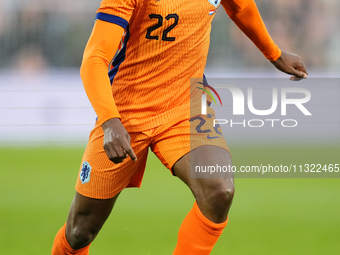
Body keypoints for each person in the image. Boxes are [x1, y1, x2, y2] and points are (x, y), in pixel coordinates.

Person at [52, 0, 308, 254]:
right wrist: (110, 121)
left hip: (186, 102)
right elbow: (94, 57)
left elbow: (241, 6)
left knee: (220, 189)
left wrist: (274, 53)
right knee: (80, 231)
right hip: (127, 109)